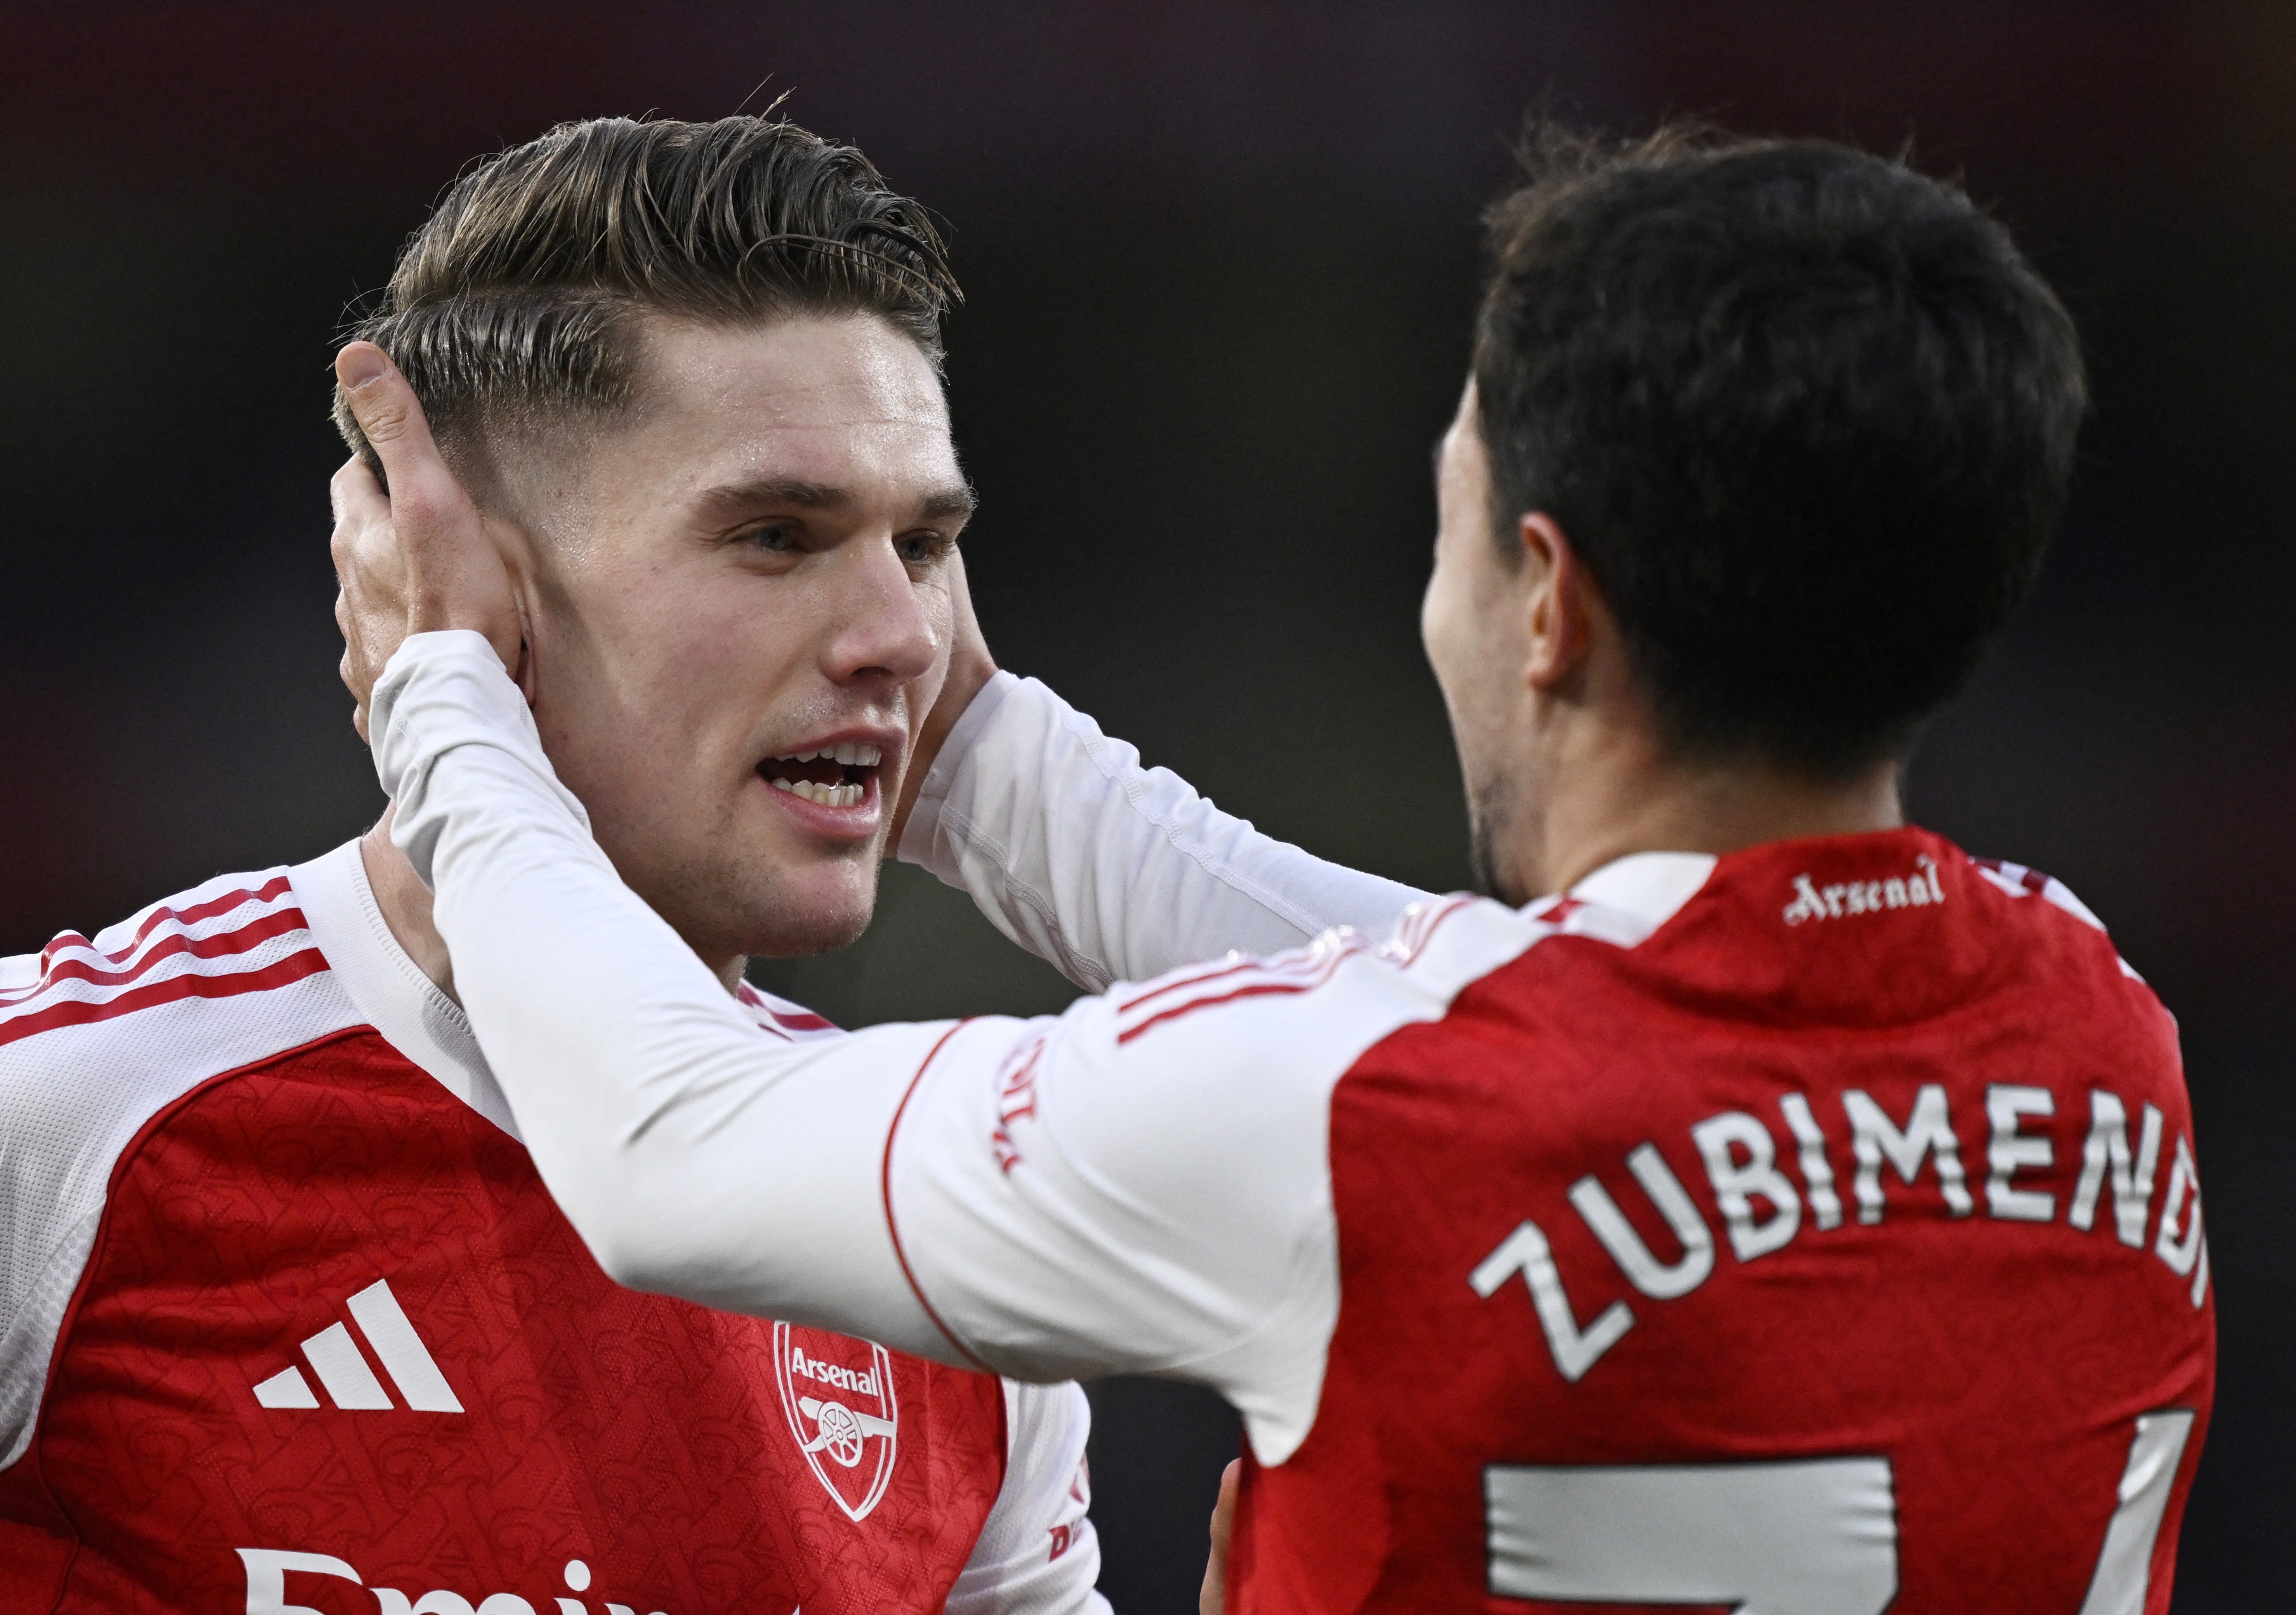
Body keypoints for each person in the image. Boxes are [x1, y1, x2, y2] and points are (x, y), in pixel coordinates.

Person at [332, 124, 2215, 1613]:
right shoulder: (2101, 1034)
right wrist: (964, 750)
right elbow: (1506, 1006)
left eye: (1449, 524)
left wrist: (445, 686)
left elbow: (671, 1151)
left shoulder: (1351, 1115)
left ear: (1545, 604)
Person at [0, 114, 1420, 1615]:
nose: (905, 640)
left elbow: (1494, 1067)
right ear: (459, 575)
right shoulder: (72, 1119)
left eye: (920, 545)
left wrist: (995, 766)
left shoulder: (936, 1250)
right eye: (778, 536)